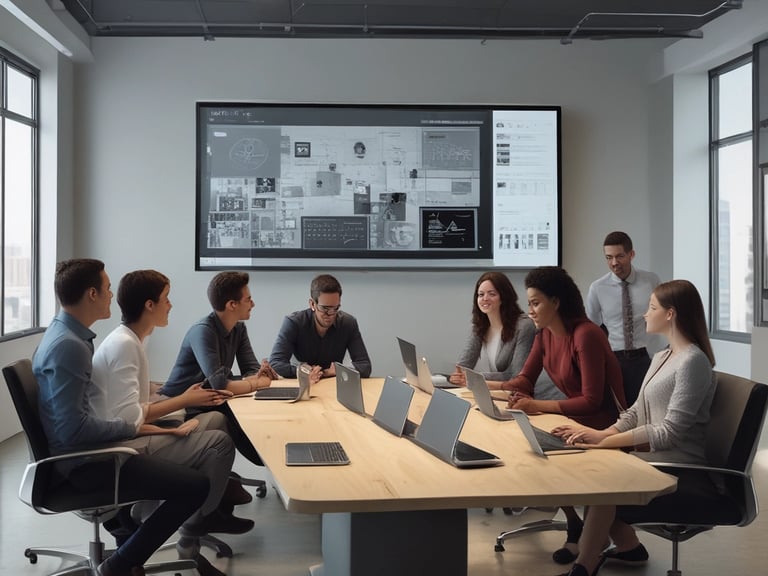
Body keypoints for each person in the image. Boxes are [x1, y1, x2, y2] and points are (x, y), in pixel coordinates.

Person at [32, 259, 211, 576]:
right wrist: (131, 426)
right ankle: (120, 564)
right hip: (83, 466)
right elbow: (74, 431)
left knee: (179, 453)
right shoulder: (68, 347)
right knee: (196, 486)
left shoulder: (67, 336)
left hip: (79, 456)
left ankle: (123, 528)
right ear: (91, 294)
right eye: (106, 289)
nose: (110, 295)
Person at [91, 269, 254, 572]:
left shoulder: (132, 339)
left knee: (217, 421)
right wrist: (182, 402)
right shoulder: (126, 344)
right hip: (122, 445)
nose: (171, 305)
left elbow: (131, 404)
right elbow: (128, 419)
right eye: (166, 299)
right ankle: (195, 520)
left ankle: (199, 509)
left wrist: (167, 403)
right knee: (219, 444)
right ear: (149, 305)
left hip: (129, 432)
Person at [552, 280, 717, 576]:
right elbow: (635, 412)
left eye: (652, 308)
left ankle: (584, 566)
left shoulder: (693, 362)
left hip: (680, 463)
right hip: (659, 457)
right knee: (596, 463)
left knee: (606, 476)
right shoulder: (662, 357)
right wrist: (603, 435)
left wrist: (606, 443)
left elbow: (670, 432)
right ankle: (628, 548)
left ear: (671, 314)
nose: (644, 314)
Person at [500, 266, 627, 565]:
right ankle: (618, 539)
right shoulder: (544, 335)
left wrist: (536, 406)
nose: (529, 310)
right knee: (528, 446)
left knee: (537, 460)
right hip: (574, 423)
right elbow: (525, 380)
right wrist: (492, 387)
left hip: (603, 430)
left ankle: (579, 529)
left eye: (535, 303)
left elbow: (592, 401)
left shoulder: (586, 335)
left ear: (556, 302)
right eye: (528, 303)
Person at [159, 271, 277, 467]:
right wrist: (258, 382)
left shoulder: (238, 328)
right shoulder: (203, 331)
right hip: (181, 406)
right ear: (232, 304)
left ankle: (268, 459)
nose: (253, 304)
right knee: (236, 415)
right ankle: (266, 460)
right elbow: (219, 384)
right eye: (248, 299)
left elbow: (250, 367)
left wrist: (257, 375)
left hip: (210, 398)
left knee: (258, 406)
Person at [586, 231, 660, 406]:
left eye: (619, 256)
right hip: (615, 359)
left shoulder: (651, 280)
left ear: (631, 254)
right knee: (618, 410)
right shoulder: (597, 288)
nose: (614, 263)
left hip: (648, 357)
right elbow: (592, 328)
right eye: (609, 257)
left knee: (647, 408)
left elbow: (663, 316)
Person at [269, 274, 372, 383]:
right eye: (325, 308)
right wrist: (304, 371)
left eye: (335, 308)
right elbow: (276, 364)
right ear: (312, 304)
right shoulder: (294, 322)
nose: (330, 314)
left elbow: (365, 366)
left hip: (333, 385)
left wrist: (336, 371)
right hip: (303, 383)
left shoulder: (348, 323)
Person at [449, 271, 536, 386]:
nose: (485, 298)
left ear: (504, 297)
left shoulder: (524, 326)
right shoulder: (479, 326)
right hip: (493, 390)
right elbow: (463, 366)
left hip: (517, 395)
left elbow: (516, 375)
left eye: (491, 294)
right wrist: (457, 377)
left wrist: (475, 377)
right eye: (480, 295)